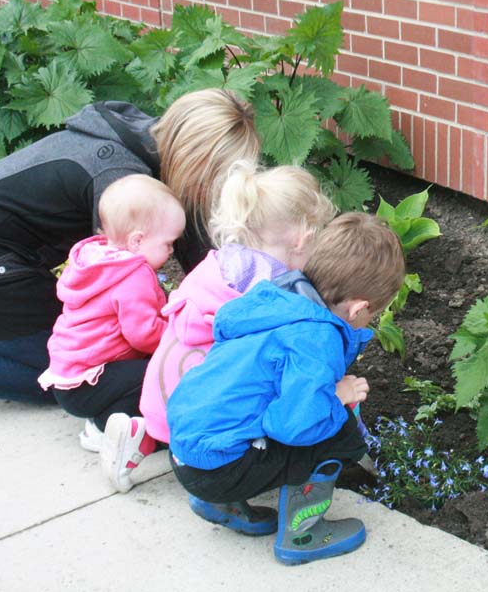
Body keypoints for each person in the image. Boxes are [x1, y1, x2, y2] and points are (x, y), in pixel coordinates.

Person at [0, 89, 259, 409]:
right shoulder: (120, 179)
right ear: (197, 160)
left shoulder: (142, 138)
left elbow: (188, 239)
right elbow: (125, 296)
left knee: (72, 343)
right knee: (79, 381)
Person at [167, 212, 405, 565]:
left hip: (186, 452)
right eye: (376, 313)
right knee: (337, 434)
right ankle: (303, 534)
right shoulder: (315, 338)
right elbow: (294, 426)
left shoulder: (277, 297)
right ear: (358, 309)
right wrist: (337, 397)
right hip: (218, 469)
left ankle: (221, 504)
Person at [100, 161, 336, 493]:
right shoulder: (270, 292)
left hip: (161, 393)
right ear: (303, 239)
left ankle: (139, 437)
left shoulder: (219, 263)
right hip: (201, 417)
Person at [37, 175, 184, 439]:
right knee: (160, 373)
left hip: (72, 378)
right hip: (90, 381)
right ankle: (108, 426)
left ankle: (107, 417)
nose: (172, 251)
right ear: (137, 241)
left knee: (140, 375)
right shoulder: (132, 274)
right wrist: (176, 334)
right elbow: (144, 334)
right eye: (168, 243)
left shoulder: (98, 261)